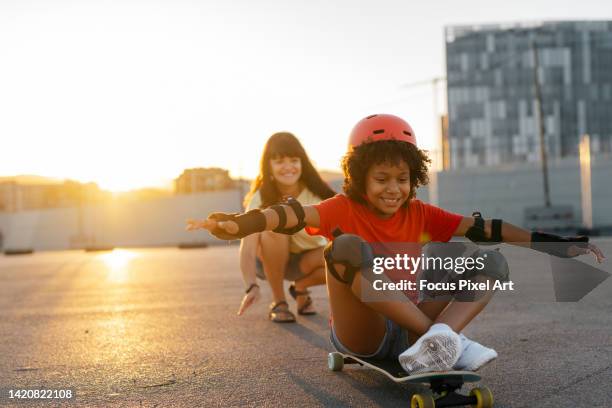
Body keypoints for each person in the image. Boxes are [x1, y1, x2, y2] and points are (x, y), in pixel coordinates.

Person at [188, 114, 605, 373]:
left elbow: (492, 229)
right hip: (362, 333)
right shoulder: (341, 207)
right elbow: (290, 214)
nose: (393, 189)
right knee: (345, 247)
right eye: (382, 179)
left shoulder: (421, 213)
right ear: (360, 176)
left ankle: (433, 342)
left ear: (414, 178)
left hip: (407, 325)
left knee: (490, 263)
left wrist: (556, 244)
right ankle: (448, 343)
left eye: (402, 180)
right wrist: (241, 224)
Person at [237, 132, 335, 323]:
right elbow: (247, 248)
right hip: (269, 260)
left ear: (302, 163)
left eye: (294, 160)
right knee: (273, 227)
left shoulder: (319, 192)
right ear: (269, 166)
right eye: (280, 161)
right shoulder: (261, 197)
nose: (288, 167)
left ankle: (300, 287)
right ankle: (279, 301)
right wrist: (251, 286)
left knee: (344, 254)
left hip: (308, 260)